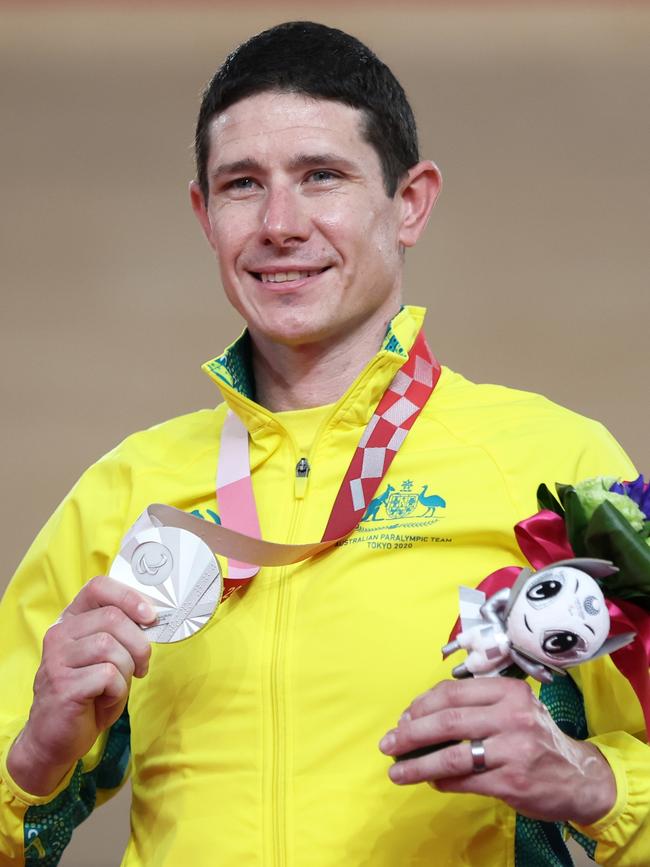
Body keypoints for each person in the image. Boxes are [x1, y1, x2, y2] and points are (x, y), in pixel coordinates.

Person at [0, 20, 647, 867]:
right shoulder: (127, 490)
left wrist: (592, 780)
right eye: (241, 184)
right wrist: (33, 759)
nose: (279, 223)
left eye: (322, 177)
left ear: (409, 202)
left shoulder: (559, 469)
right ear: (204, 214)